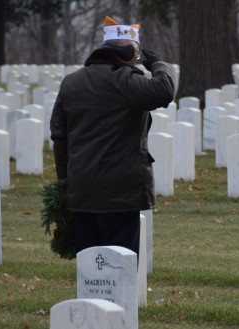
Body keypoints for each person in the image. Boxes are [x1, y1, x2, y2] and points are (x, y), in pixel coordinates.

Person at [50, 16, 175, 259]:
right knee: (120, 264)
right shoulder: (126, 81)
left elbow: (59, 136)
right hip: (121, 191)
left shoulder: (71, 83)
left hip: (82, 188)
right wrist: (159, 64)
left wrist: (66, 183)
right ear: (127, 52)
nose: (137, 61)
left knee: (91, 264)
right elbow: (164, 90)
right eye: (136, 55)